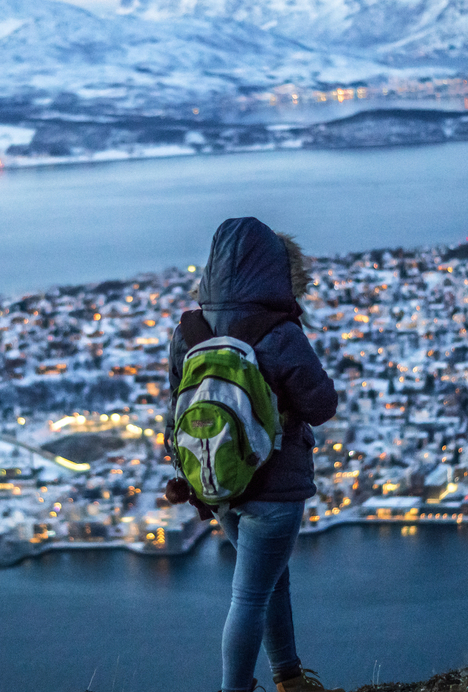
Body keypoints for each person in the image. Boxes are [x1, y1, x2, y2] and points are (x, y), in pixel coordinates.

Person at [167, 217, 342, 692]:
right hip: (275, 488)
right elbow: (322, 405)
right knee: (249, 596)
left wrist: (194, 481)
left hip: (220, 482)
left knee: (269, 583)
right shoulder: (277, 331)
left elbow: (175, 414)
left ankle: (287, 676)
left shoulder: (189, 331)